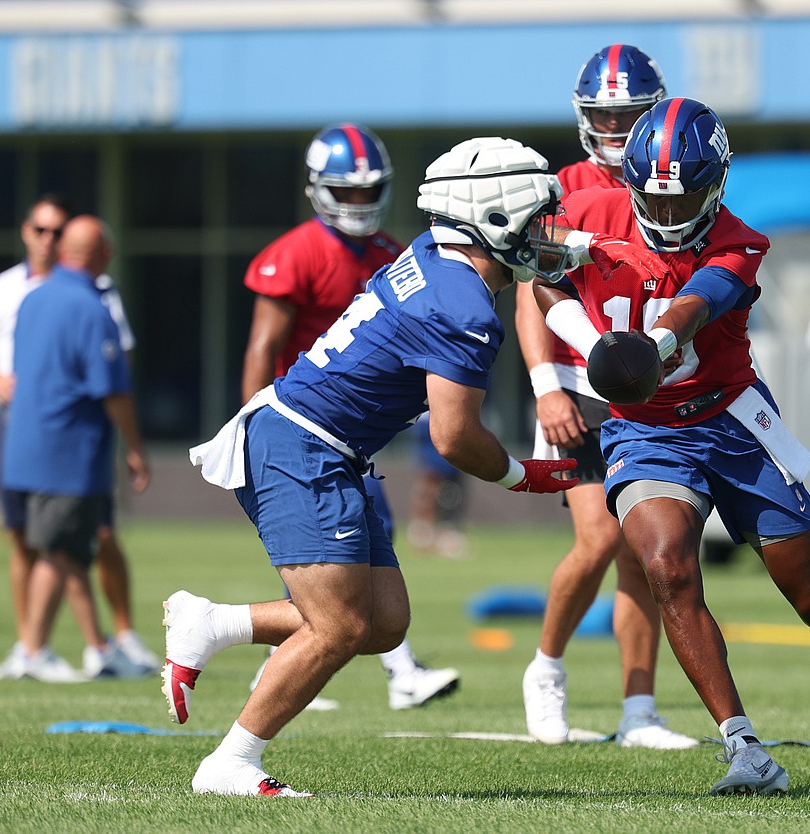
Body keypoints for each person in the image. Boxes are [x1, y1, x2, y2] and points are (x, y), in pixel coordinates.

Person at [167, 137, 580, 796]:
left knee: (384, 623)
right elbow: (452, 436)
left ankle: (214, 622)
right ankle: (231, 762)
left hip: (327, 446)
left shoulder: (430, 254)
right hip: (302, 443)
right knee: (340, 625)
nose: (546, 231)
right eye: (536, 217)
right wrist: (524, 475)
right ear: (494, 219)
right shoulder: (465, 306)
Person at [533, 97, 810, 795]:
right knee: (667, 569)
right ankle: (745, 747)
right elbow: (540, 278)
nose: (672, 212)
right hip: (645, 430)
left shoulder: (741, 241)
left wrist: (650, 346)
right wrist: (589, 348)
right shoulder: (587, 211)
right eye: (659, 198)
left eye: (688, 196)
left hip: (732, 423)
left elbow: (696, 304)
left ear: (717, 183)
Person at [240, 122, 457, 711]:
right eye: (348, 191)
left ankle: (273, 662)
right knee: (352, 544)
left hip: (355, 433)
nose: (359, 202)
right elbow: (262, 348)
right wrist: (250, 430)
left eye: (369, 191)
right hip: (301, 428)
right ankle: (402, 670)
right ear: (318, 189)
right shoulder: (295, 252)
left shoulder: (391, 255)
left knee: (339, 555)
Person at [515, 44, 694, 749]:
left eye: (629, 117)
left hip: (646, 383)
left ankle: (638, 709)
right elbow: (534, 294)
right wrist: (542, 387)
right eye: (604, 117)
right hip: (574, 380)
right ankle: (546, 669)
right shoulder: (561, 186)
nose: (617, 132)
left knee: (639, 553)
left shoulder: (675, 177)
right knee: (597, 538)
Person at [0, 197, 156, 682]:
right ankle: (34, 650)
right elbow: (113, 390)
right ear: (103, 253)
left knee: (62, 547)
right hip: (67, 451)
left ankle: (99, 648)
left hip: (21, 443)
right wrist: (136, 449)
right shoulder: (92, 306)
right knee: (61, 549)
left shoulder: (33, 296)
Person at [403, 412, 468, 559]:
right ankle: (422, 532)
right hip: (434, 418)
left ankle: (438, 531)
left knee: (448, 479)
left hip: (447, 416)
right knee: (431, 477)